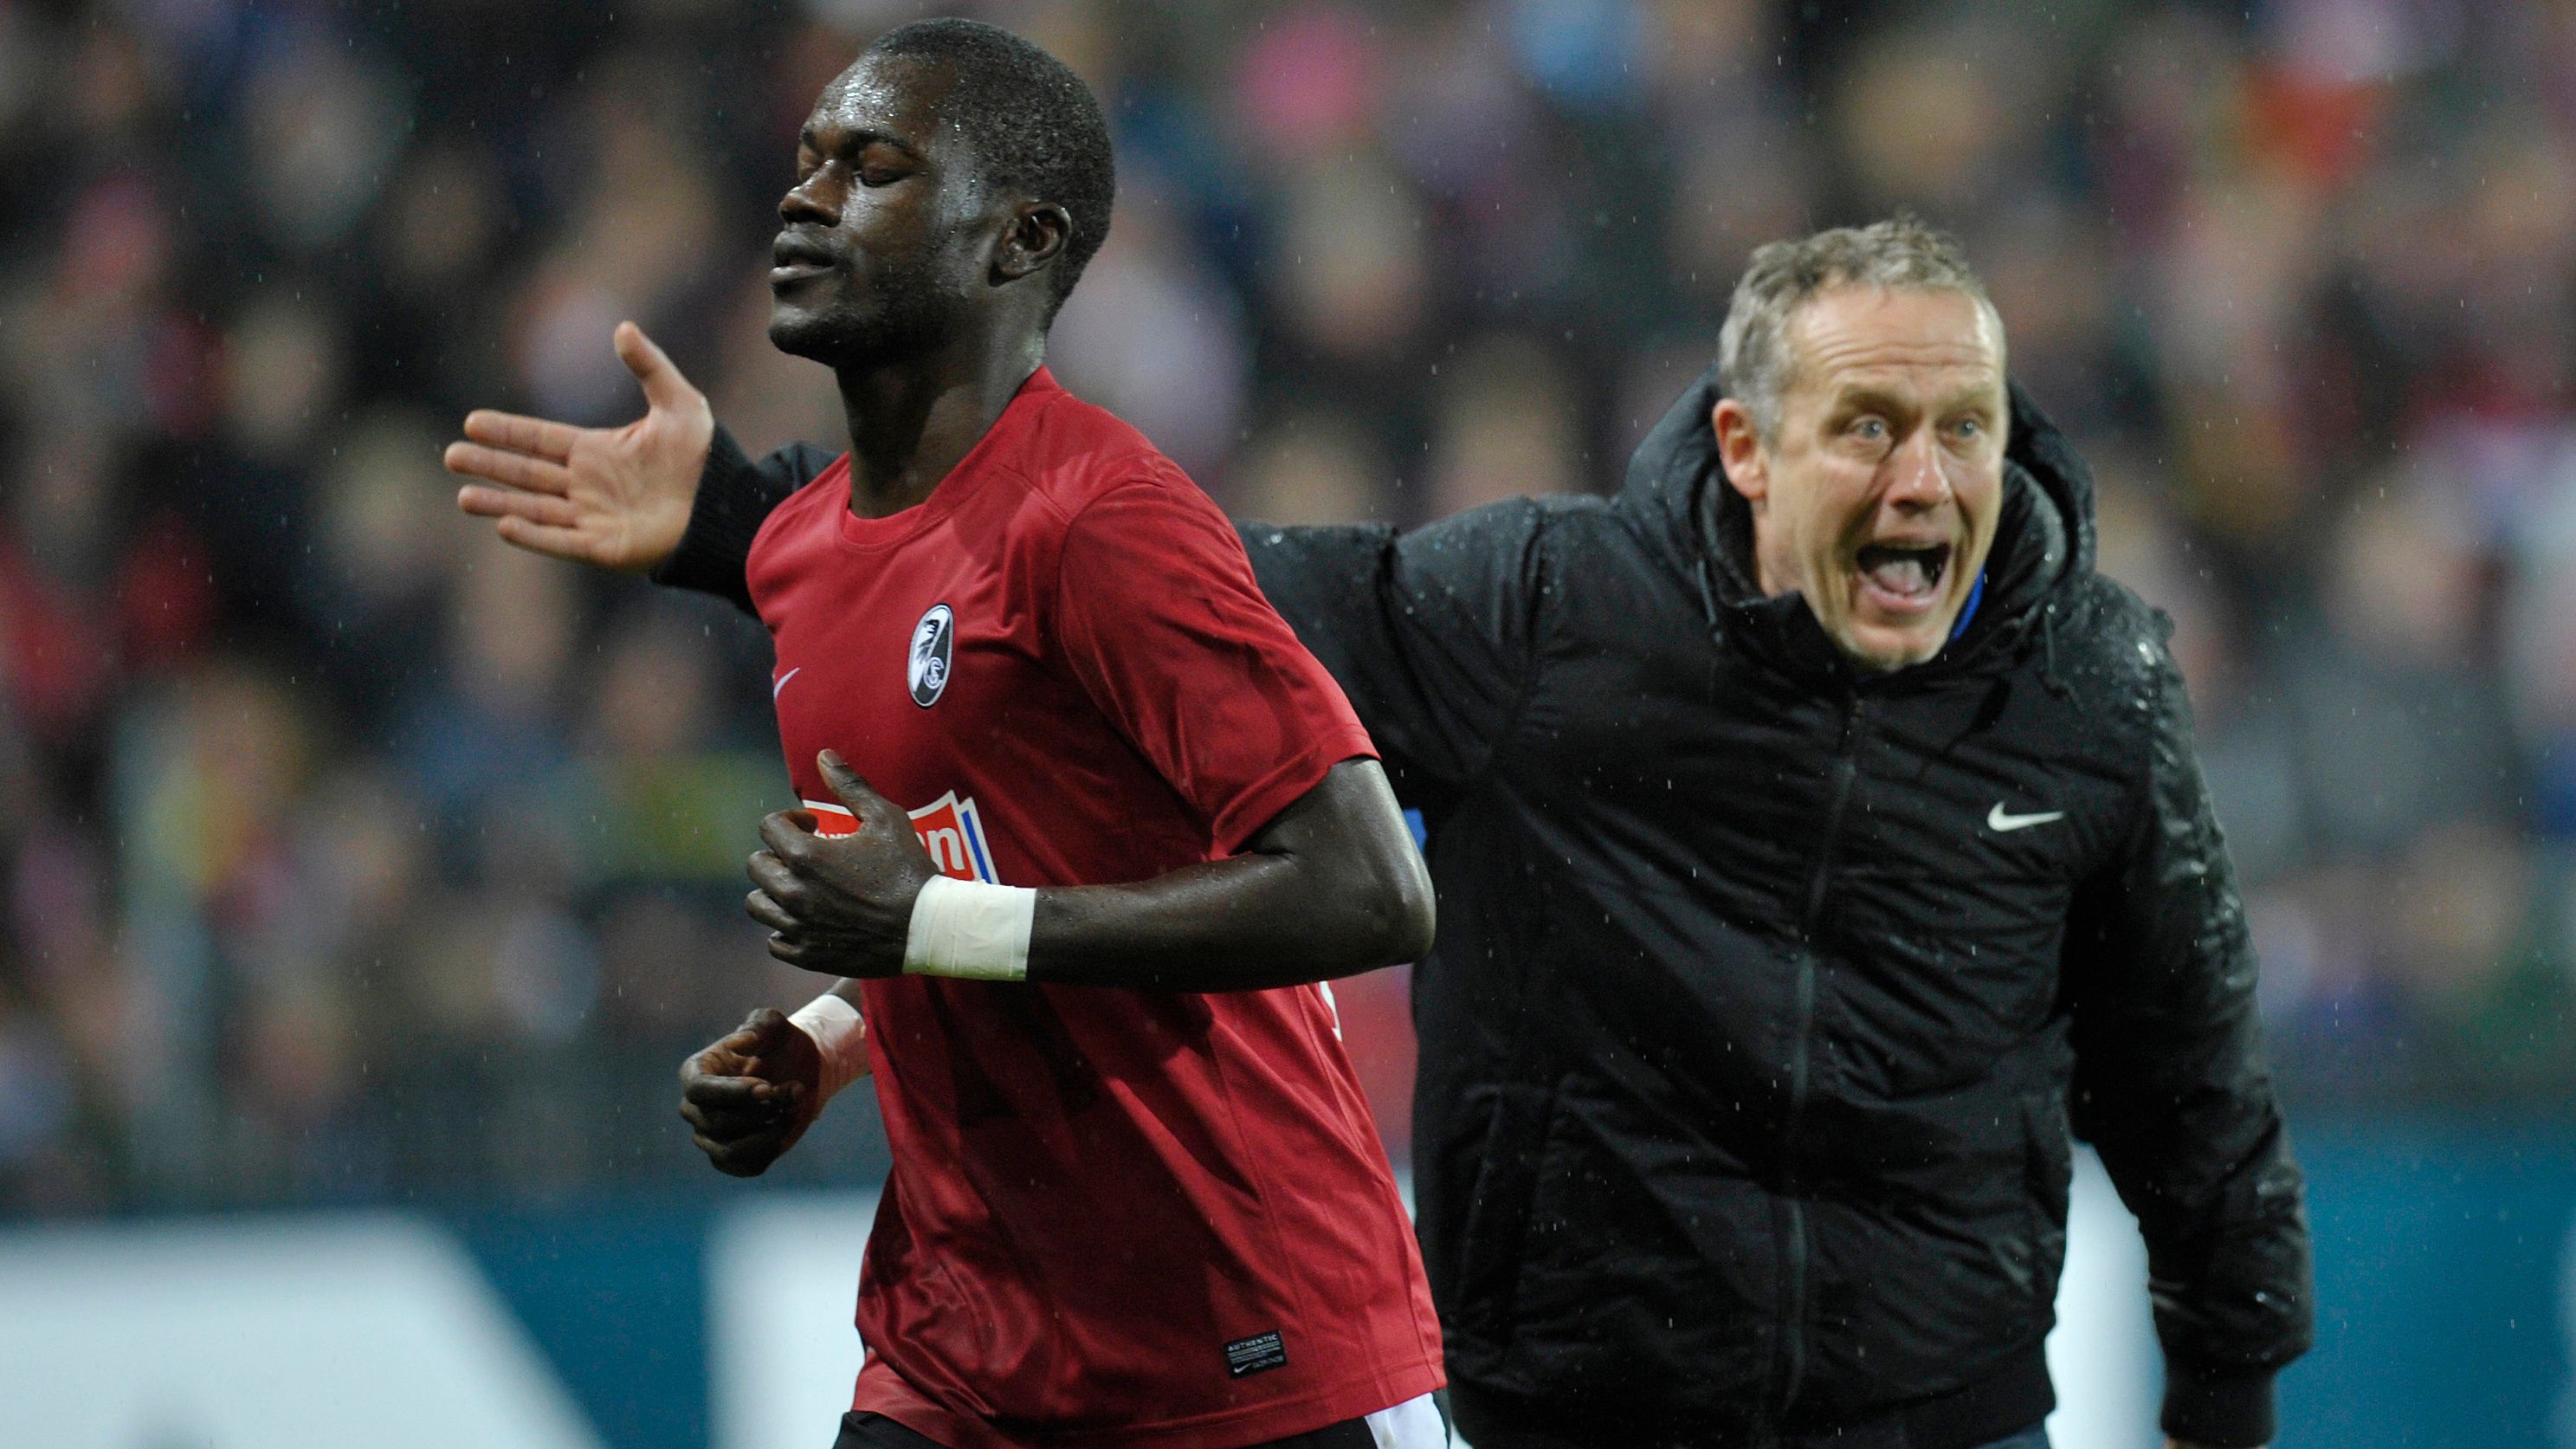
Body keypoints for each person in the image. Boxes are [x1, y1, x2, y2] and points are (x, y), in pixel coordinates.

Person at [458, 213, 2315, 1446]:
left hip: (1948, 1418)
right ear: (1749, 448)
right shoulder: (1542, 615)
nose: (1928, 479)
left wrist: (2225, 1407)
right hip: (1574, 1414)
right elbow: (1127, 616)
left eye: (1967, 428)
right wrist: (747, 523)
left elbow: (2193, 1084)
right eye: (1871, 427)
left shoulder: (2097, 685)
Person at [448, 20, 1452, 1449]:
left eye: (872, 169)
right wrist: (826, 1038)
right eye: (807, 161)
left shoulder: (1102, 517)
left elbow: (1371, 888)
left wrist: (931, 925)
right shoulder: (799, 552)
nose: (805, 199)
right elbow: (992, 872)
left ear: (1018, 239)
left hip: (1247, 1340)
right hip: (966, 1355)